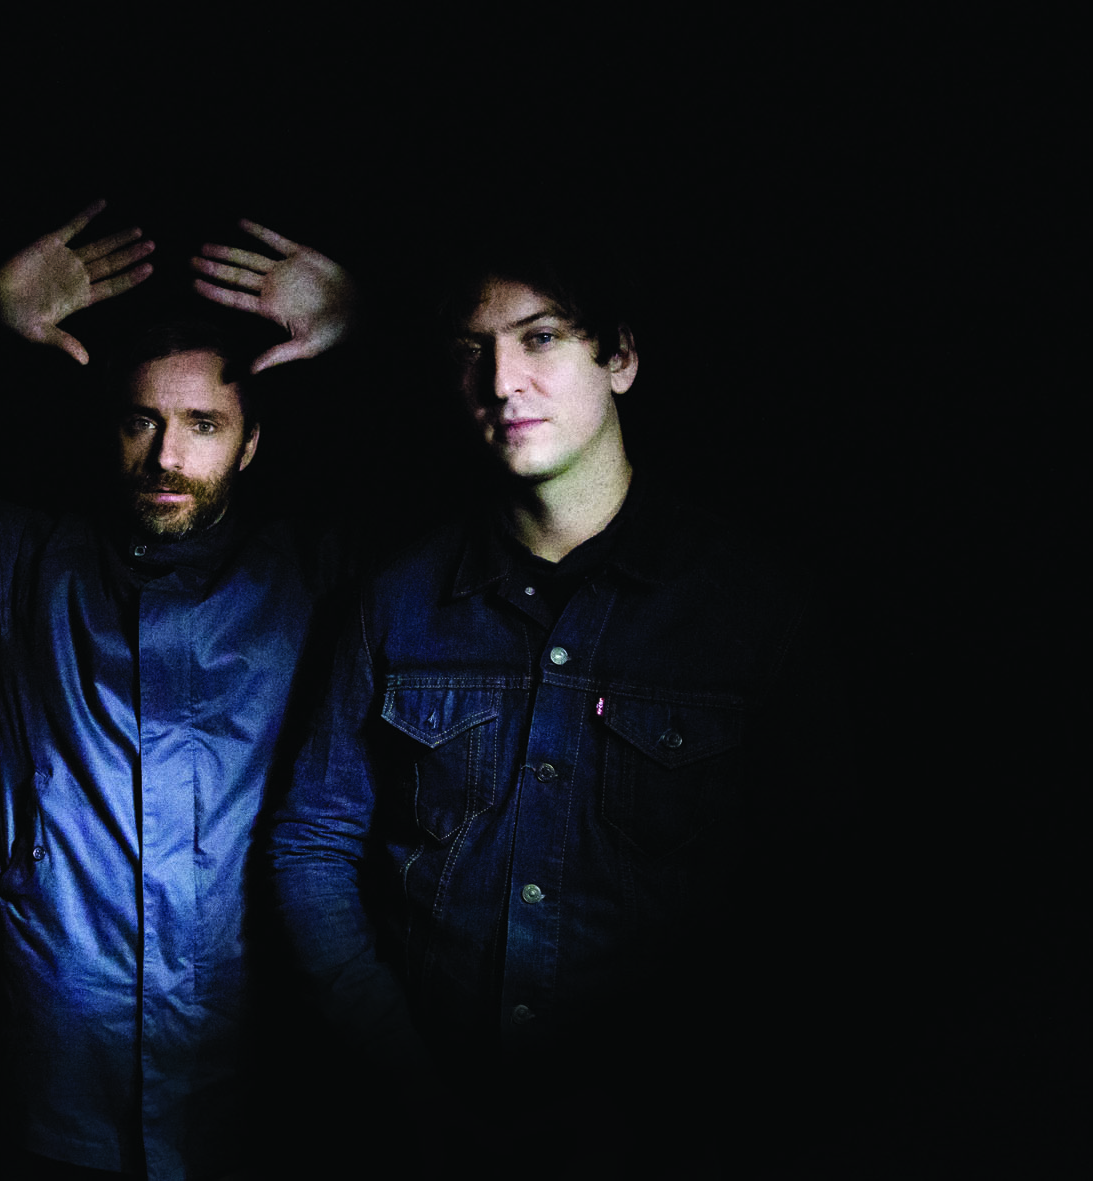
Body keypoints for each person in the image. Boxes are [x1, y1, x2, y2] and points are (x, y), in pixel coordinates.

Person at [269, 232, 826, 1173]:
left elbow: (811, 887)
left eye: (540, 338)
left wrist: (666, 1102)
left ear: (621, 357)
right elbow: (312, 845)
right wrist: (411, 1083)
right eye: (472, 351)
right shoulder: (396, 599)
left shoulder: (750, 607)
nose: (501, 382)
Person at [0, 202, 355, 1179]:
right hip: (56, 1093)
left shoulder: (310, 578)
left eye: (202, 425)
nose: (166, 456)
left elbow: (482, 492)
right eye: (141, 421)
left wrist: (371, 326)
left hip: (242, 1093)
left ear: (250, 443)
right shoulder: (29, 567)